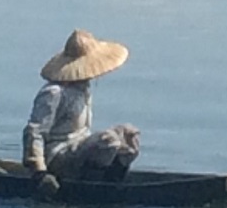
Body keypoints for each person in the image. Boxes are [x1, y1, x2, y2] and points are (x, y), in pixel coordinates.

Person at [23, 30, 140, 197]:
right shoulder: (54, 93)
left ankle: (112, 179)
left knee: (128, 134)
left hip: (78, 151)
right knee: (108, 140)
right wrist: (39, 172)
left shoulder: (83, 88)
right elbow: (34, 131)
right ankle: (91, 187)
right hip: (58, 156)